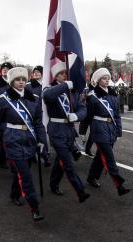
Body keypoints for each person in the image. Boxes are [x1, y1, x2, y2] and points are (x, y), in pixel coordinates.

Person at [0, 67, 46, 221]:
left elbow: (38, 122)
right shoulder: (3, 98)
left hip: (29, 139)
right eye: (17, 79)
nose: (21, 82)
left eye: (23, 79)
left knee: (22, 171)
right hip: (12, 139)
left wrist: (41, 140)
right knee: (26, 175)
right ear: (12, 81)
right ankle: (34, 207)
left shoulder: (34, 98)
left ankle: (14, 194)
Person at [42, 62, 90, 202]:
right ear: (56, 75)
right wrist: (65, 85)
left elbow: (83, 109)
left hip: (69, 130)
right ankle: (80, 191)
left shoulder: (72, 92)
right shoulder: (50, 88)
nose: (65, 75)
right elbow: (48, 96)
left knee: (61, 160)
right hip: (56, 130)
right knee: (68, 163)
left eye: (66, 73)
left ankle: (53, 184)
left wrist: (77, 116)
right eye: (62, 73)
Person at [83, 68, 129, 196]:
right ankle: (119, 185)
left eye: (108, 78)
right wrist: (83, 132)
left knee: (100, 156)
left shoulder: (114, 95)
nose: (107, 80)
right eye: (104, 78)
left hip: (111, 129)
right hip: (99, 129)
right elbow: (88, 116)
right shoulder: (92, 96)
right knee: (109, 158)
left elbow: (117, 116)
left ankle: (92, 177)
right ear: (98, 81)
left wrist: (119, 132)